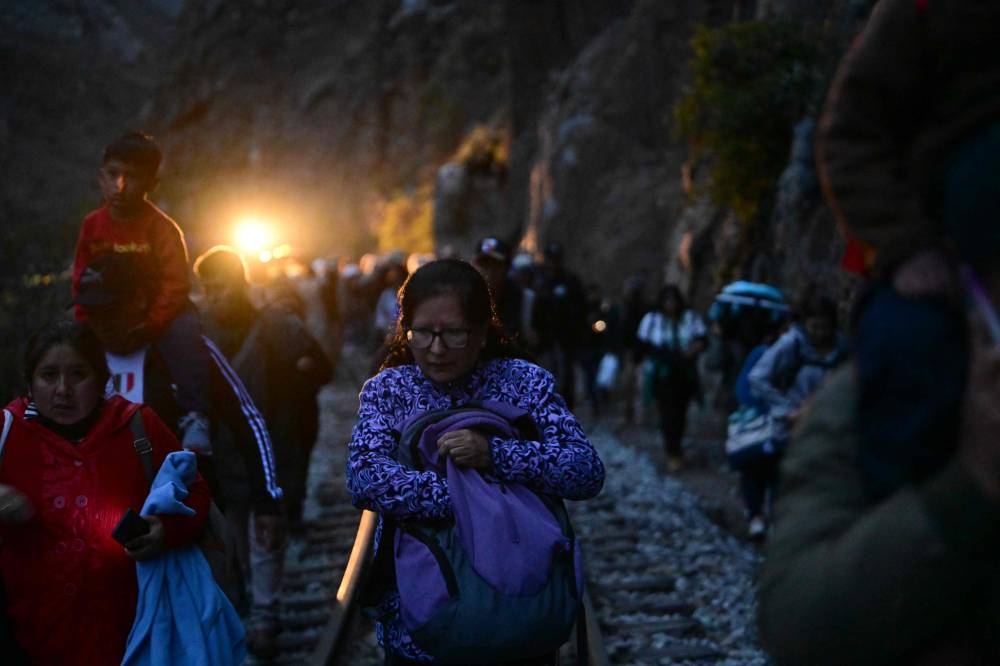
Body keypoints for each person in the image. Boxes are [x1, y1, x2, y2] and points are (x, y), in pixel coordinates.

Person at [347, 258, 605, 665]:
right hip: (422, 627)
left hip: (519, 618)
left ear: (483, 331)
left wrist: (495, 455)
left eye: (454, 334)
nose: (436, 348)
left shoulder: (523, 382)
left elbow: (584, 470)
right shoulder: (390, 390)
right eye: (421, 333)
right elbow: (365, 477)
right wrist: (474, 498)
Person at [74, 252, 286, 655]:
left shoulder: (184, 352)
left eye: (112, 306)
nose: (102, 320)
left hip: (192, 526)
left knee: (201, 642)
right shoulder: (77, 357)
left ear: (139, 300)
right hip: (105, 535)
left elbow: (247, 421)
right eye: (93, 310)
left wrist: (268, 499)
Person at [0, 320, 211, 665]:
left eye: (78, 375)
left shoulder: (138, 427)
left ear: (101, 380)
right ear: (30, 383)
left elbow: (196, 492)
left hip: (138, 638)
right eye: (48, 375)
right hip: (32, 640)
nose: (62, 390)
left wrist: (165, 530)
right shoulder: (7, 434)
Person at [71, 131, 212, 452]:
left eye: (131, 177)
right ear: (100, 176)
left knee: (187, 332)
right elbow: (81, 276)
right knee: (67, 339)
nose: (119, 185)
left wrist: (150, 324)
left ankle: (194, 413)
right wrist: (86, 318)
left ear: (151, 183)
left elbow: (175, 284)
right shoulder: (92, 225)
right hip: (107, 311)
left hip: (157, 312)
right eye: (112, 175)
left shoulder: (162, 228)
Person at [636, 284, 708, 472]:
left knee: (681, 412)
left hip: (684, 373)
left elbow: (702, 340)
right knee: (668, 413)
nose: (671, 305)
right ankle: (672, 451)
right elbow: (643, 346)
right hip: (663, 375)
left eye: (673, 300)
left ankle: (677, 447)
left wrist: (690, 351)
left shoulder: (690, 319)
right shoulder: (652, 320)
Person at [533, 242, 588, 409]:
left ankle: (566, 409)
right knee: (546, 373)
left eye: (555, 259)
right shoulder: (540, 281)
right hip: (546, 339)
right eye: (550, 259)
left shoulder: (570, 281)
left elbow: (580, 309)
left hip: (566, 338)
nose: (553, 263)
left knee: (566, 376)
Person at [471, 236, 527, 342]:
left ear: (507, 268)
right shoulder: (464, 298)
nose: (488, 271)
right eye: (483, 264)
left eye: (495, 265)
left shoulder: (525, 300)